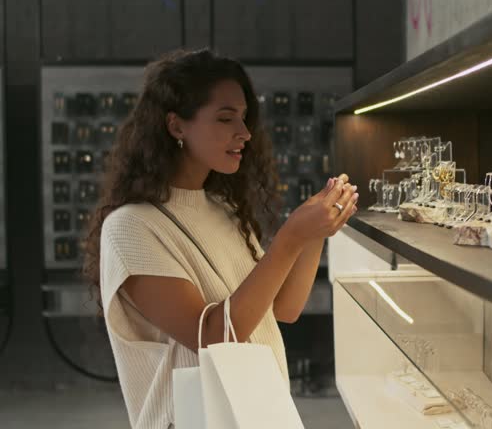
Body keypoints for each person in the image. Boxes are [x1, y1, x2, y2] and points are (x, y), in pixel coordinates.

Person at [83, 49, 358, 429]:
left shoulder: (224, 209)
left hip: (259, 414)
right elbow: (213, 336)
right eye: (226, 118)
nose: (244, 133)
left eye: (244, 118)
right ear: (177, 126)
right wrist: (292, 236)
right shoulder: (130, 227)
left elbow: (283, 309)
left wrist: (315, 234)